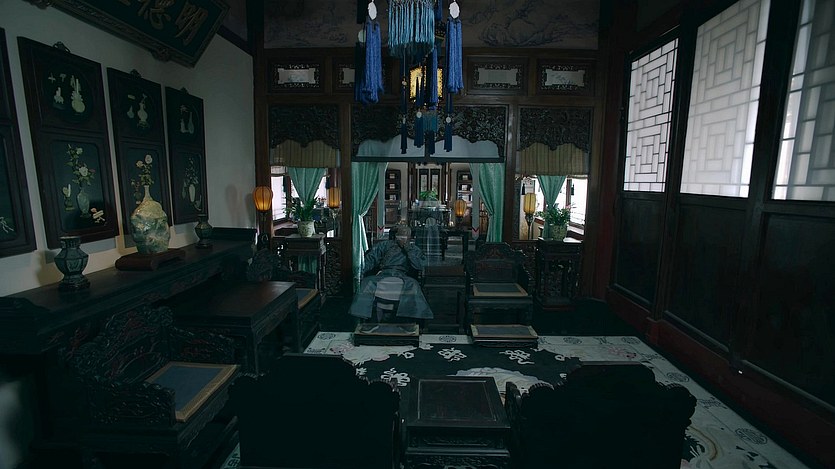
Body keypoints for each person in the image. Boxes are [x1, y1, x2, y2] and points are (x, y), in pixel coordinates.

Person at [348, 225, 433, 321]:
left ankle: (412, 318)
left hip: (402, 275)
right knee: (367, 282)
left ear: (410, 237)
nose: (402, 238)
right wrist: (361, 270)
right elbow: (371, 258)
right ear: (396, 235)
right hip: (383, 273)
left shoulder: (414, 249)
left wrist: (408, 249)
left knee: (414, 285)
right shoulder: (384, 245)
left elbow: (419, 265)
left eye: (405, 236)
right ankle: (362, 316)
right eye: (400, 235)